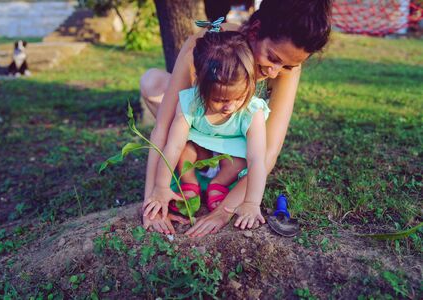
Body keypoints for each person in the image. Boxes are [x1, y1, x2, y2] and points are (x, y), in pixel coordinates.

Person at [140, 0, 332, 237]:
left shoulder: (285, 65)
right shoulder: (211, 45)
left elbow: (267, 153)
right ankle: (190, 166)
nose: (275, 71)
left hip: (236, 150)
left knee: (250, 150)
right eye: (272, 58)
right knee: (153, 82)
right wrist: (153, 198)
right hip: (199, 132)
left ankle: (218, 178)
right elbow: (162, 128)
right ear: (254, 31)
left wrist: (225, 210)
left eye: (288, 66)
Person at [142, 29, 270, 226]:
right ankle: (189, 182)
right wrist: (160, 186)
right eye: (219, 100)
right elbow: (173, 147)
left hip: (229, 164)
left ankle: (218, 184)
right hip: (199, 157)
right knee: (183, 148)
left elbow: (257, 160)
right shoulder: (190, 104)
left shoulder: (253, 112)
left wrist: (252, 202)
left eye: (239, 97)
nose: (230, 106)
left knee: (240, 161)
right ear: (201, 87)